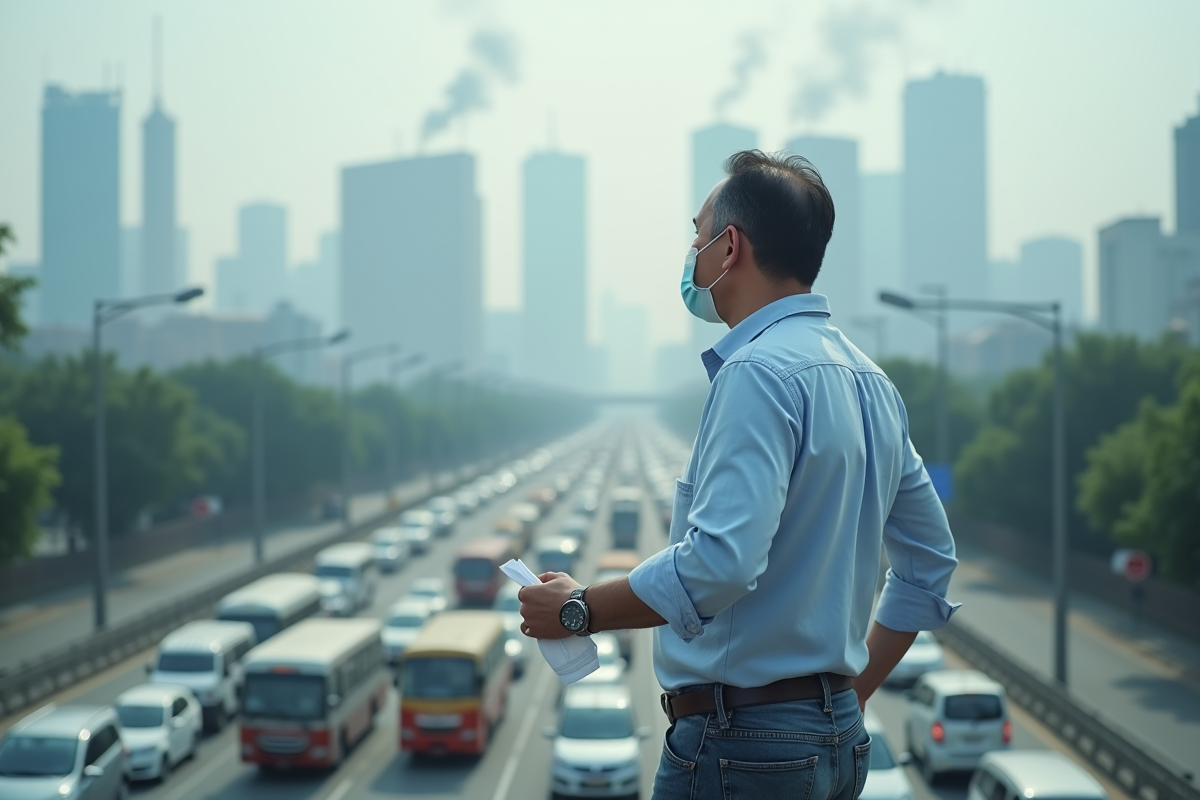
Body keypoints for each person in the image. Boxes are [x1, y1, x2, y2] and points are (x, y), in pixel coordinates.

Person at [518, 150, 958, 800]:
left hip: (741, 750)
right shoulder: (874, 385)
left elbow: (720, 564)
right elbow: (930, 565)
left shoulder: (755, 373)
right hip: (837, 741)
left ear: (729, 247)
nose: (689, 255)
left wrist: (581, 611)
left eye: (695, 235)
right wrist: (841, 702)